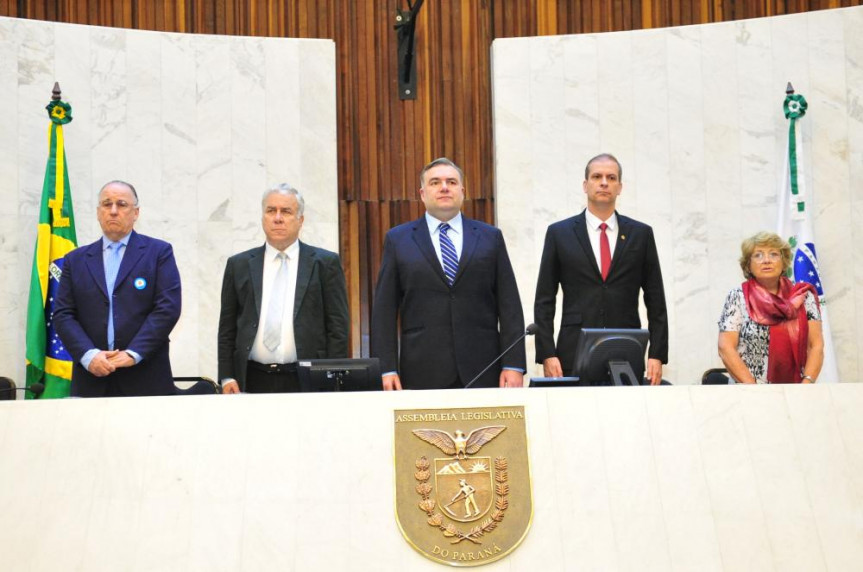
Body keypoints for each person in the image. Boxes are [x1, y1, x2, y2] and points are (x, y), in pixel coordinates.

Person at [371, 157, 526, 390]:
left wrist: (514, 364)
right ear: (422, 193)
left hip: (484, 368)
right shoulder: (398, 239)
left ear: (462, 191)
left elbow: (510, 305)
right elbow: (384, 310)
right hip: (422, 369)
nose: (444, 187)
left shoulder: (490, 237)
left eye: (451, 182)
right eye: (435, 182)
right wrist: (386, 368)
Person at [533, 153, 668, 384]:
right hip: (572, 351)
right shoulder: (559, 233)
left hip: (626, 347)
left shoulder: (641, 234)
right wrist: (547, 353)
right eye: (597, 176)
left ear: (620, 187)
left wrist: (657, 354)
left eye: (611, 177)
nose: (604, 182)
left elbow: (656, 301)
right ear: (586, 185)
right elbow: (544, 300)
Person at [54, 180, 182, 397]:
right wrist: (89, 356)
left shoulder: (158, 253)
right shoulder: (75, 260)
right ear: (98, 212)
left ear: (136, 213)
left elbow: (167, 308)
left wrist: (134, 353)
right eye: (107, 204)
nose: (113, 211)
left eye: (122, 204)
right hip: (91, 379)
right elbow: (63, 314)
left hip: (146, 378)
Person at [218, 184, 349, 394]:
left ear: (301, 220)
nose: (277, 218)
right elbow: (227, 328)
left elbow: (338, 328)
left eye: (286, 211)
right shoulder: (239, 265)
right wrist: (226, 376)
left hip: (307, 380)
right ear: (263, 218)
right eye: (271, 211)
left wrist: (332, 379)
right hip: (251, 379)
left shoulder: (325, 263)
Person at [715, 232, 823, 384]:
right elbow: (725, 347)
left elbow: (816, 345)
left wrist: (806, 386)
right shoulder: (738, 296)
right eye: (758, 255)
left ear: (784, 262)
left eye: (773, 254)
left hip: (797, 391)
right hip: (748, 391)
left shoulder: (804, 297)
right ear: (748, 265)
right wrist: (755, 389)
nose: (766, 260)